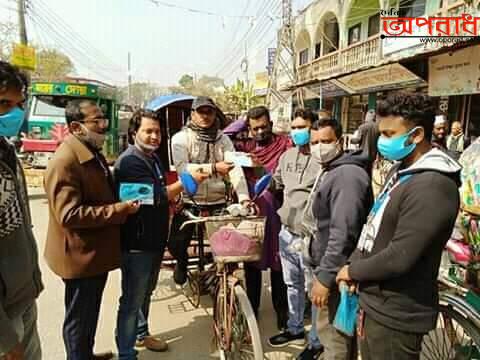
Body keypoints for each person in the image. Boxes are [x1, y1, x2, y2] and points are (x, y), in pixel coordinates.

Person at [337, 93, 461, 360]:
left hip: (397, 311)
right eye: (381, 133)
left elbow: (400, 256)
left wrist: (354, 270)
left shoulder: (432, 185)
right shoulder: (403, 170)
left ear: (416, 135)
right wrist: (356, 264)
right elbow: (375, 226)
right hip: (375, 302)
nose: (383, 141)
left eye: (390, 133)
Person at [44, 99, 141, 360]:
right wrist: (119, 210)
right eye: (96, 121)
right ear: (76, 127)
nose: (103, 126)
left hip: (92, 254)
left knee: (87, 314)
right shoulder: (65, 161)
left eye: (104, 120)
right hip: (80, 256)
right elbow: (69, 214)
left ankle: (84, 354)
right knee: (79, 318)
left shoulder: (89, 150)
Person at [114, 110, 208, 359]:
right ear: (135, 133)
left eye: (157, 131)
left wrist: (174, 200)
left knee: (146, 292)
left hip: (155, 239)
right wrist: (186, 181)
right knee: (132, 300)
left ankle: (142, 334)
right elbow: (147, 196)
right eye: (149, 131)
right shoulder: (129, 161)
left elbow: (161, 194)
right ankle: (126, 353)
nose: (155, 136)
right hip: (137, 244)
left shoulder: (153, 158)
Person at [309, 118, 373, 360]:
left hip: (338, 273)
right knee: (339, 338)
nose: (319, 147)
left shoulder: (346, 175)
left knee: (335, 342)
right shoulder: (333, 170)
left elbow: (343, 232)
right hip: (334, 267)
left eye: (326, 141)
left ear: (339, 142)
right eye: (315, 142)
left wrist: (325, 278)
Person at [169, 96, 251, 285]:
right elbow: (184, 169)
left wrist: (244, 198)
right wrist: (214, 168)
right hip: (191, 199)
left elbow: (234, 168)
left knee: (228, 247)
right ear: (193, 114)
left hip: (218, 199)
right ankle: (181, 262)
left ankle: (220, 277)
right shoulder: (180, 139)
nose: (205, 116)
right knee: (176, 244)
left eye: (210, 112)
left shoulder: (223, 139)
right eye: (201, 112)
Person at [266, 108, 323, 359]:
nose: (297, 131)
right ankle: (294, 328)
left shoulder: (323, 158)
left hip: (311, 236)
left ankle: (316, 341)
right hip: (286, 232)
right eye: (294, 127)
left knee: (315, 291)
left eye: (303, 127)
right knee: (292, 285)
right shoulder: (286, 156)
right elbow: (276, 182)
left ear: (313, 128)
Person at [0, 61, 43, 360]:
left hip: (22, 298)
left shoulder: (6, 151)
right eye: (3, 103)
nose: (13, 113)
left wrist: (32, 280)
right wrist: (4, 340)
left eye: (18, 105)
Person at [242, 105, 290, 330]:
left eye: (263, 127)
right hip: (254, 215)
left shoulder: (284, 144)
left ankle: (282, 314)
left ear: (271, 124)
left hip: (279, 214)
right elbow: (228, 132)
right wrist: (243, 124)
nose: (259, 132)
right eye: (254, 128)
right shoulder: (245, 150)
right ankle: (251, 311)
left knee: (279, 266)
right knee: (251, 265)